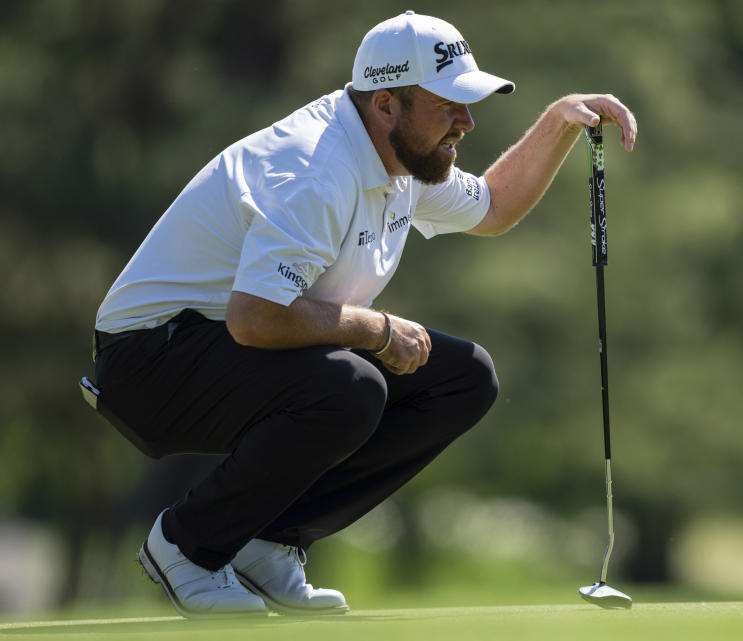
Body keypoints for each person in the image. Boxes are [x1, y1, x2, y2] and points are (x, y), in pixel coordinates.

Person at [88, 10, 636, 618]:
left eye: (468, 102)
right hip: (149, 362)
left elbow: (495, 207)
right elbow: (255, 318)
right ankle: (188, 545)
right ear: (385, 105)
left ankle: (271, 540)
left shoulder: (405, 155)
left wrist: (560, 120)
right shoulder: (315, 169)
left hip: (221, 347)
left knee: (462, 377)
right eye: (449, 104)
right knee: (351, 384)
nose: (467, 121)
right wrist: (374, 329)